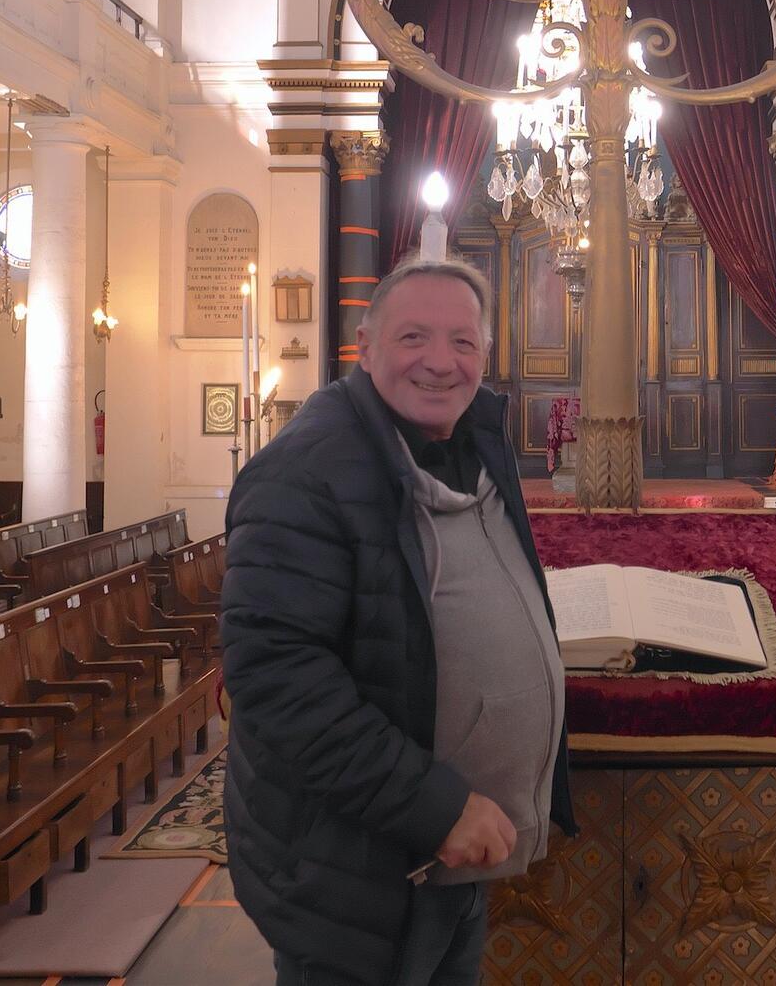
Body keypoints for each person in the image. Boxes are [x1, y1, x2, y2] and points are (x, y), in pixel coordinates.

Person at [221, 255, 574, 986]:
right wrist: (436, 809)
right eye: (414, 337)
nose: (440, 363)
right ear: (365, 346)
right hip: (351, 870)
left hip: (434, 861)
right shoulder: (304, 471)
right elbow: (279, 683)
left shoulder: (470, 444)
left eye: (463, 342)